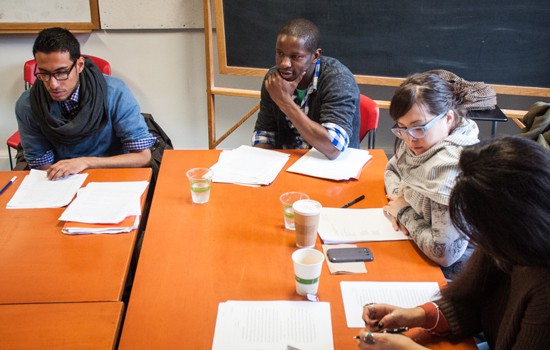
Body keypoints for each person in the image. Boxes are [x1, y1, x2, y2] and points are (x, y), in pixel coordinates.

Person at [357, 136, 550, 349]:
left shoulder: (541, 284)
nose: (476, 238)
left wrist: (407, 348)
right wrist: (418, 315)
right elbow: (479, 304)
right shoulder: (513, 241)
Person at [15, 27, 155, 180]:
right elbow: (41, 165)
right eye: (44, 74)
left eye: (61, 72)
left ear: (80, 65)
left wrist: (86, 162)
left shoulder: (115, 92)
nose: (53, 84)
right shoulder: (28, 105)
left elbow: (143, 156)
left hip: (114, 172)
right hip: (63, 179)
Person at [383, 71, 479, 279]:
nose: (409, 139)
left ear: (448, 118)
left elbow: (444, 253)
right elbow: (392, 170)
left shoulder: (451, 168)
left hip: (455, 275)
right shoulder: (421, 144)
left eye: (419, 128)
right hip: (415, 247)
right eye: (402, 128)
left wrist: (403, 212)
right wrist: (398, 201)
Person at [252, 18, 360, 160]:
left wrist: (285, 103)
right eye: (280, 53)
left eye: (295, 56)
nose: (284, 64)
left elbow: (333, 148)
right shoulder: (273, 80)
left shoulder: (338, 79)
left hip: (330, 165)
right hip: (287, 163)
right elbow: (264, 136)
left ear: (315, 56)